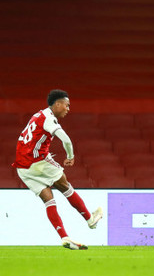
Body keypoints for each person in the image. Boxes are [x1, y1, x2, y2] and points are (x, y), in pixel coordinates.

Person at [12, 89, 103, 250]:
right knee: (65, 186)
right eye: (67, 105)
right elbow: (66, 140)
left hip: (22, 166)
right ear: (58, 104)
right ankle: (90, 219)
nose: (68, 109)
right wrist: (70, 155)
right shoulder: (48, 119)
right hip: (36, 161)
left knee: (49, 200)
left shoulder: (37, 116)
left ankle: (65, 237)